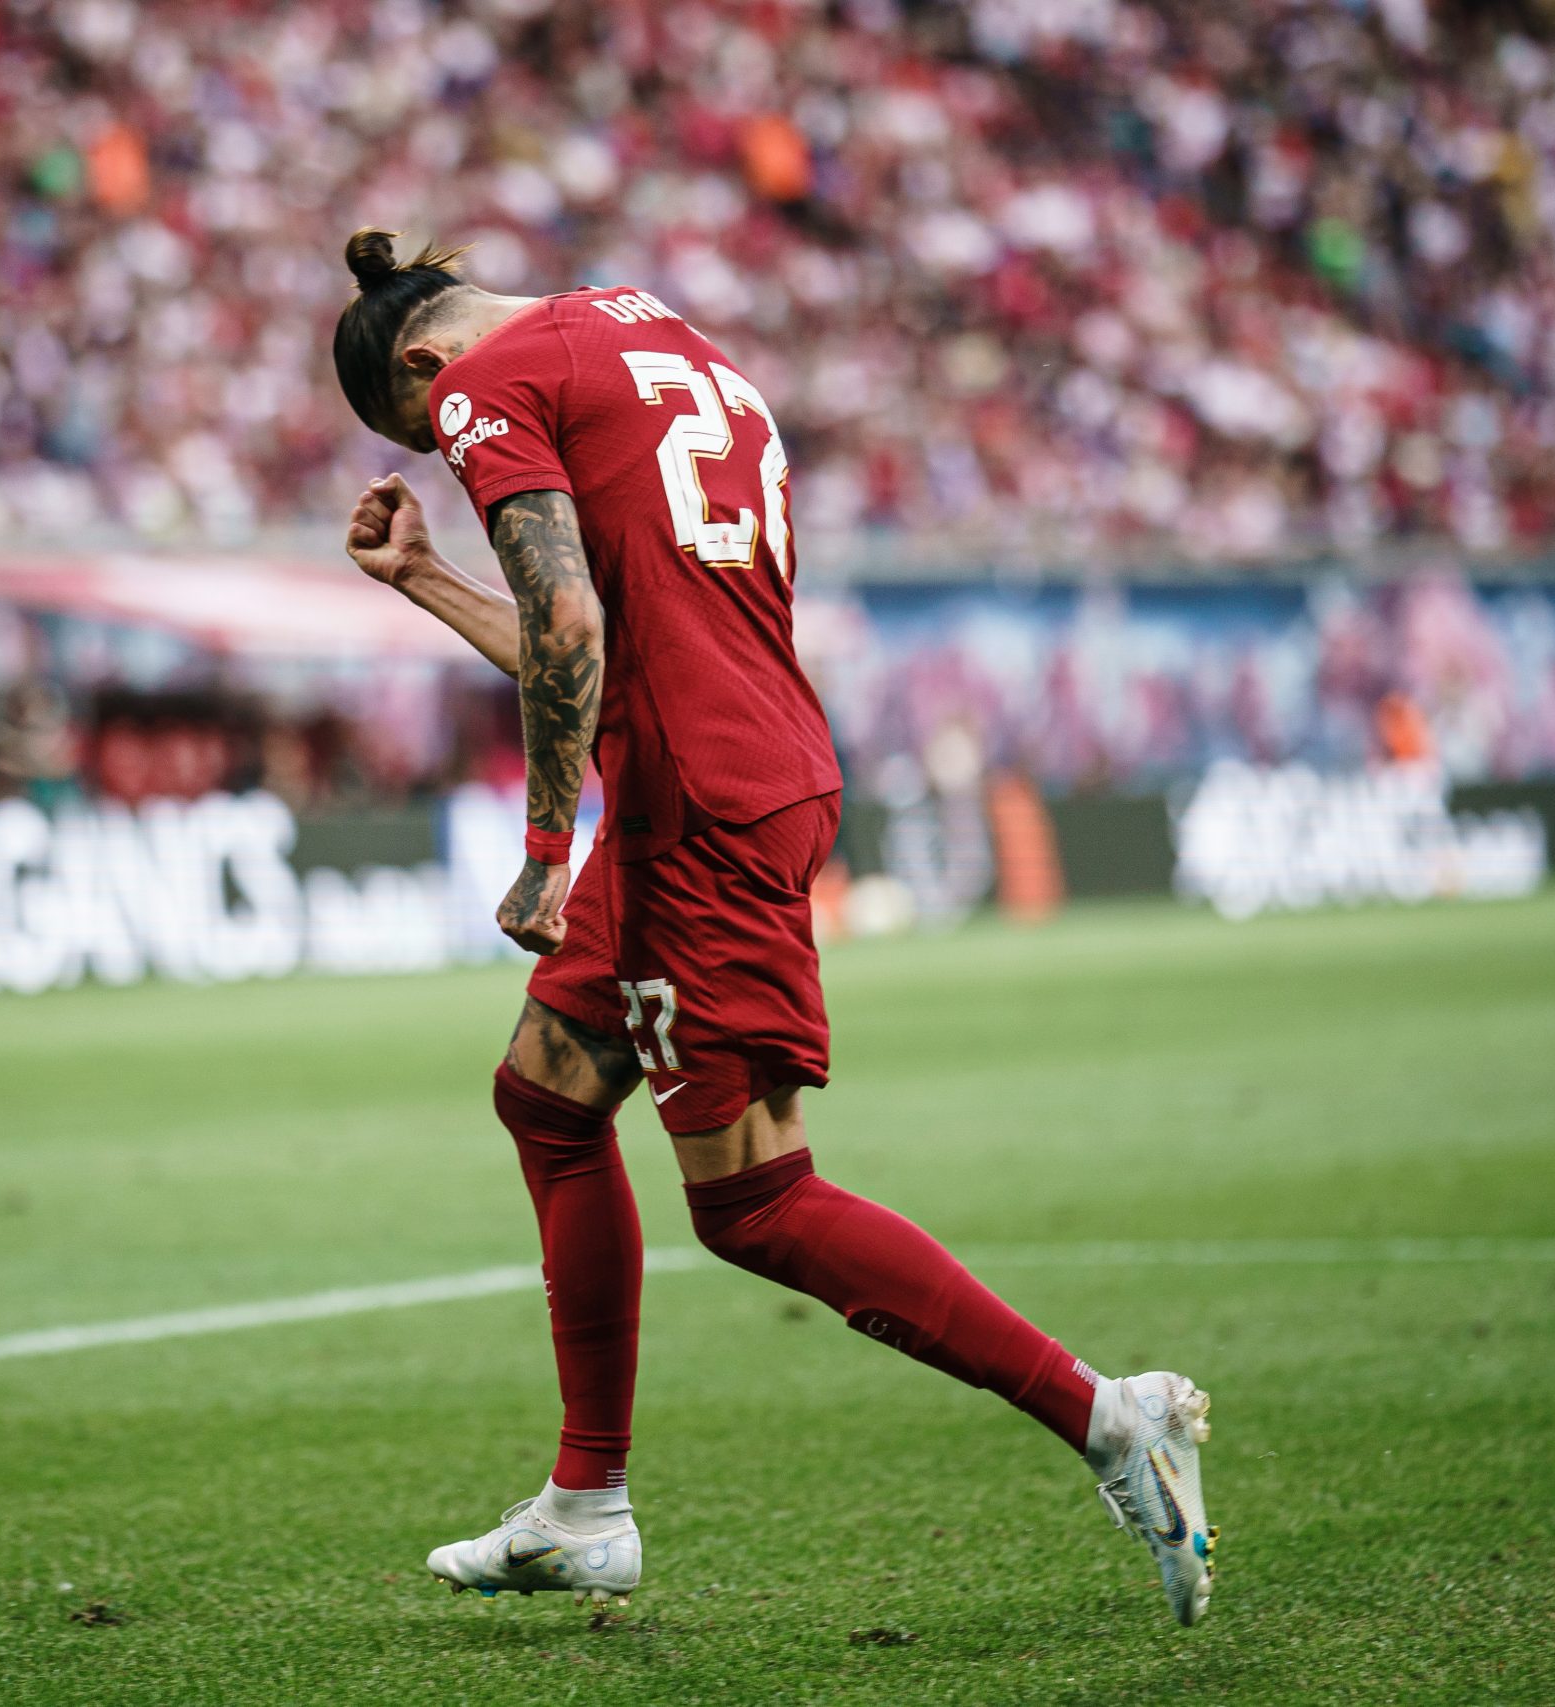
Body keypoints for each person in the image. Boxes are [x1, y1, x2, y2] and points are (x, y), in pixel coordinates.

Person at [332, 231, 1217, 1624]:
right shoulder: (651, 331)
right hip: (728, 771)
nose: (451, 450)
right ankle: (585, 1507)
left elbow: (568, 620)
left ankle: (1104, 1414)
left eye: (430, 437)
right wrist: (430, 580)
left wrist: (545, 844)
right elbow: (613, 634)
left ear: (424, 367)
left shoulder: (477, 384)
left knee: (753, 1202)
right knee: (548, 1099)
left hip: (702, 814)